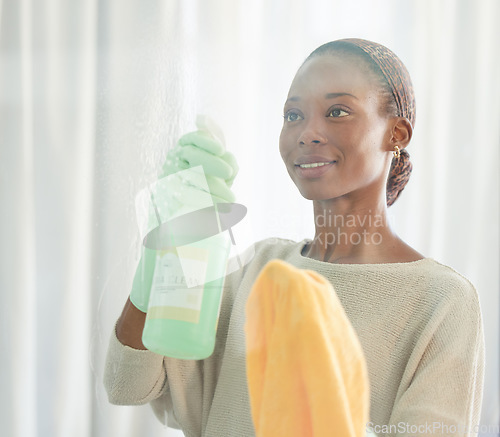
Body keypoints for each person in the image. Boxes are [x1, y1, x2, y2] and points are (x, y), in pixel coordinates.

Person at [104, 38, 484, 436]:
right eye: (293, 115)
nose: (307, 133)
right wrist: (164, 252)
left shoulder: (442, 301)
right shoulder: (256, 269)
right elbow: (127, 384)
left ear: (396, 134)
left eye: (337, 111)